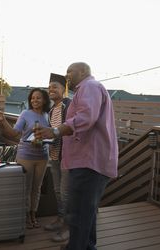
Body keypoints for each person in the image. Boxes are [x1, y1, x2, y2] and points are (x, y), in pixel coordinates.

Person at [35, 62, 118, 250]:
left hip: (89, 162)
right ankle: (86, 245)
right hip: (88, 161)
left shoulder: (90, 86)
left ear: (83, 72)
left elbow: (86, 118)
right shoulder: (87, 89)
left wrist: (55, 131)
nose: (66, 76)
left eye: (69, 72)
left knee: (78, 211)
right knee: (85, 211)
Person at [0, 88, 51, 229]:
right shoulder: (25, 114)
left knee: (37, 188)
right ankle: (25, 215)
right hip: (26, 154)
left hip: (43, 155)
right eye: (32, 98)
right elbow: (14, 133)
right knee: (26, 187)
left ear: (44, 100)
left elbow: (51, 134)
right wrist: (3, 122)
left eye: (38, 98)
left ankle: (33, 214)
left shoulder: (47, 115)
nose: (34, 100)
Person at [43, 74, 71, 242]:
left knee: (66, 193)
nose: (51, 89)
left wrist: (52, 136)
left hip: (67, 157)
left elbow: (69, 129)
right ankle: (61, 219)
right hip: (54, 154)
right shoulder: (52, 109)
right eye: (50, 87)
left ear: (63, 89)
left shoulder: (68, 106)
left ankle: (68, 227)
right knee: (57, 191)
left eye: (55, 87)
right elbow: (52, 131)